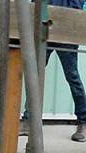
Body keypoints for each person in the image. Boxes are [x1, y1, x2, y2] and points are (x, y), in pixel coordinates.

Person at [20, 0, 86, 142]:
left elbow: (77, 5)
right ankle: (28, 119)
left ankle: (83, 122)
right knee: (34, 75)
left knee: (72, 77)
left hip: (66, 31)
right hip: (46, 27)